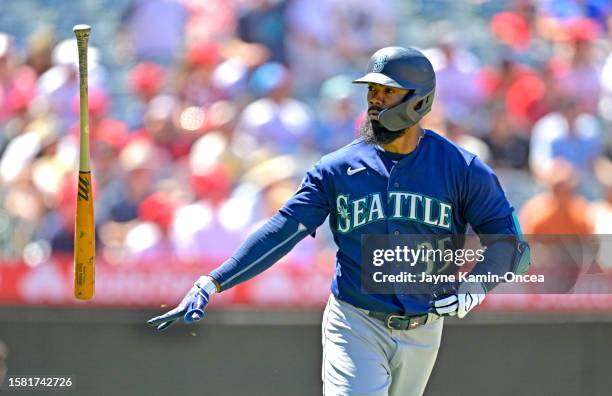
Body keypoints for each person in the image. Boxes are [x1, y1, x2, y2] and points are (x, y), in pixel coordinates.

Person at [148, 47, 530, 396]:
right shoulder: (337, 169)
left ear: (420, 101)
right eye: (372, 91)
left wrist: (475, 287)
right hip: (355, 320)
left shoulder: (461, 168)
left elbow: (509, 244)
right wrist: (213, 280)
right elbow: (285, 229)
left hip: (424, 328)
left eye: (388, 92)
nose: (376, 100)